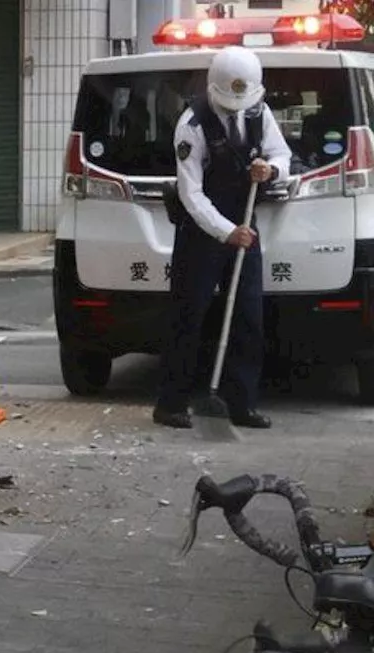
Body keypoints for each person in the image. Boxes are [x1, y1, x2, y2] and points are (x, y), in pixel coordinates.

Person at [154, 46, 291, 431]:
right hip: (204, 232)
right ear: (213, 89)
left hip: (245, 224)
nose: (236, 110)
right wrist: (227, 232)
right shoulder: (192, 125)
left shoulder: (258, 112)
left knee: (248, 315)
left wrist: (270, 169)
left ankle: (241, 403)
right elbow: (191, 194)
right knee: (189, 315)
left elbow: (283, 153)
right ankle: (171, 403)